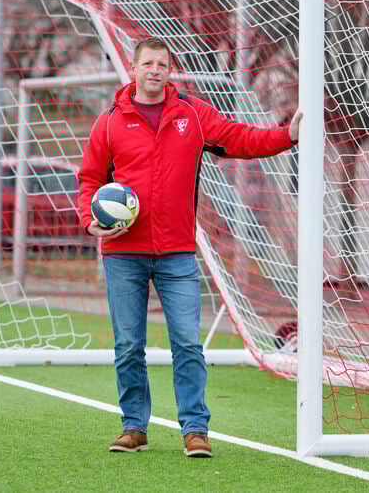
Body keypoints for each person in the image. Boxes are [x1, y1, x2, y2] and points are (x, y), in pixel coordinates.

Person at [76, 37, 302, 458]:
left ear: (169, 69)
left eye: (162, 64)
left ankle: (195, 430)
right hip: (123, 254)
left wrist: (285, 136)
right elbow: (89, 178)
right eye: (148, 63)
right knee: (128, 344)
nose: (155, 70)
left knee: (187, 344)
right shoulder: (108, 123)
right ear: (134, 67)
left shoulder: (193, 116)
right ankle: (133, 427)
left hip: (177, 253)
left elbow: (239, 138)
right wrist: (89, 220)